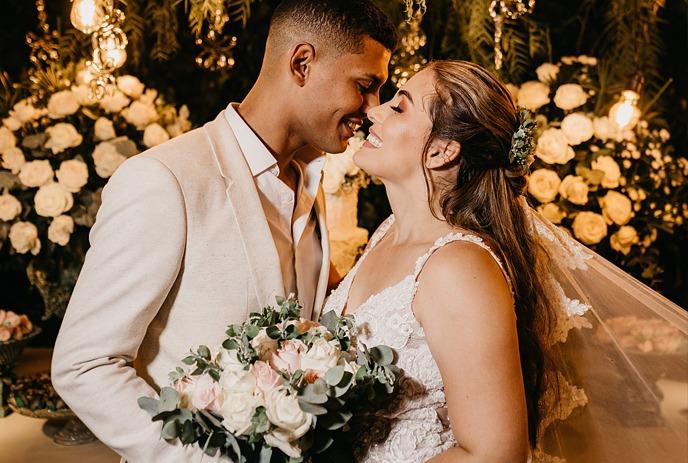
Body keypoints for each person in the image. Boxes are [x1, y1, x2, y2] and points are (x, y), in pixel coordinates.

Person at [51, 2, 395, 462]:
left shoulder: (313, 184)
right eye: (365, 86)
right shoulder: (165, 179)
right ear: (302, 63)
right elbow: (83, 365)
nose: (373, 109)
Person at [322, 60, 688, 462]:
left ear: (442, 151)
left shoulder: (457, 268)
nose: (374, 111)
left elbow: (495, 455)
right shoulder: (386, 233)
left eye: (399, 107)